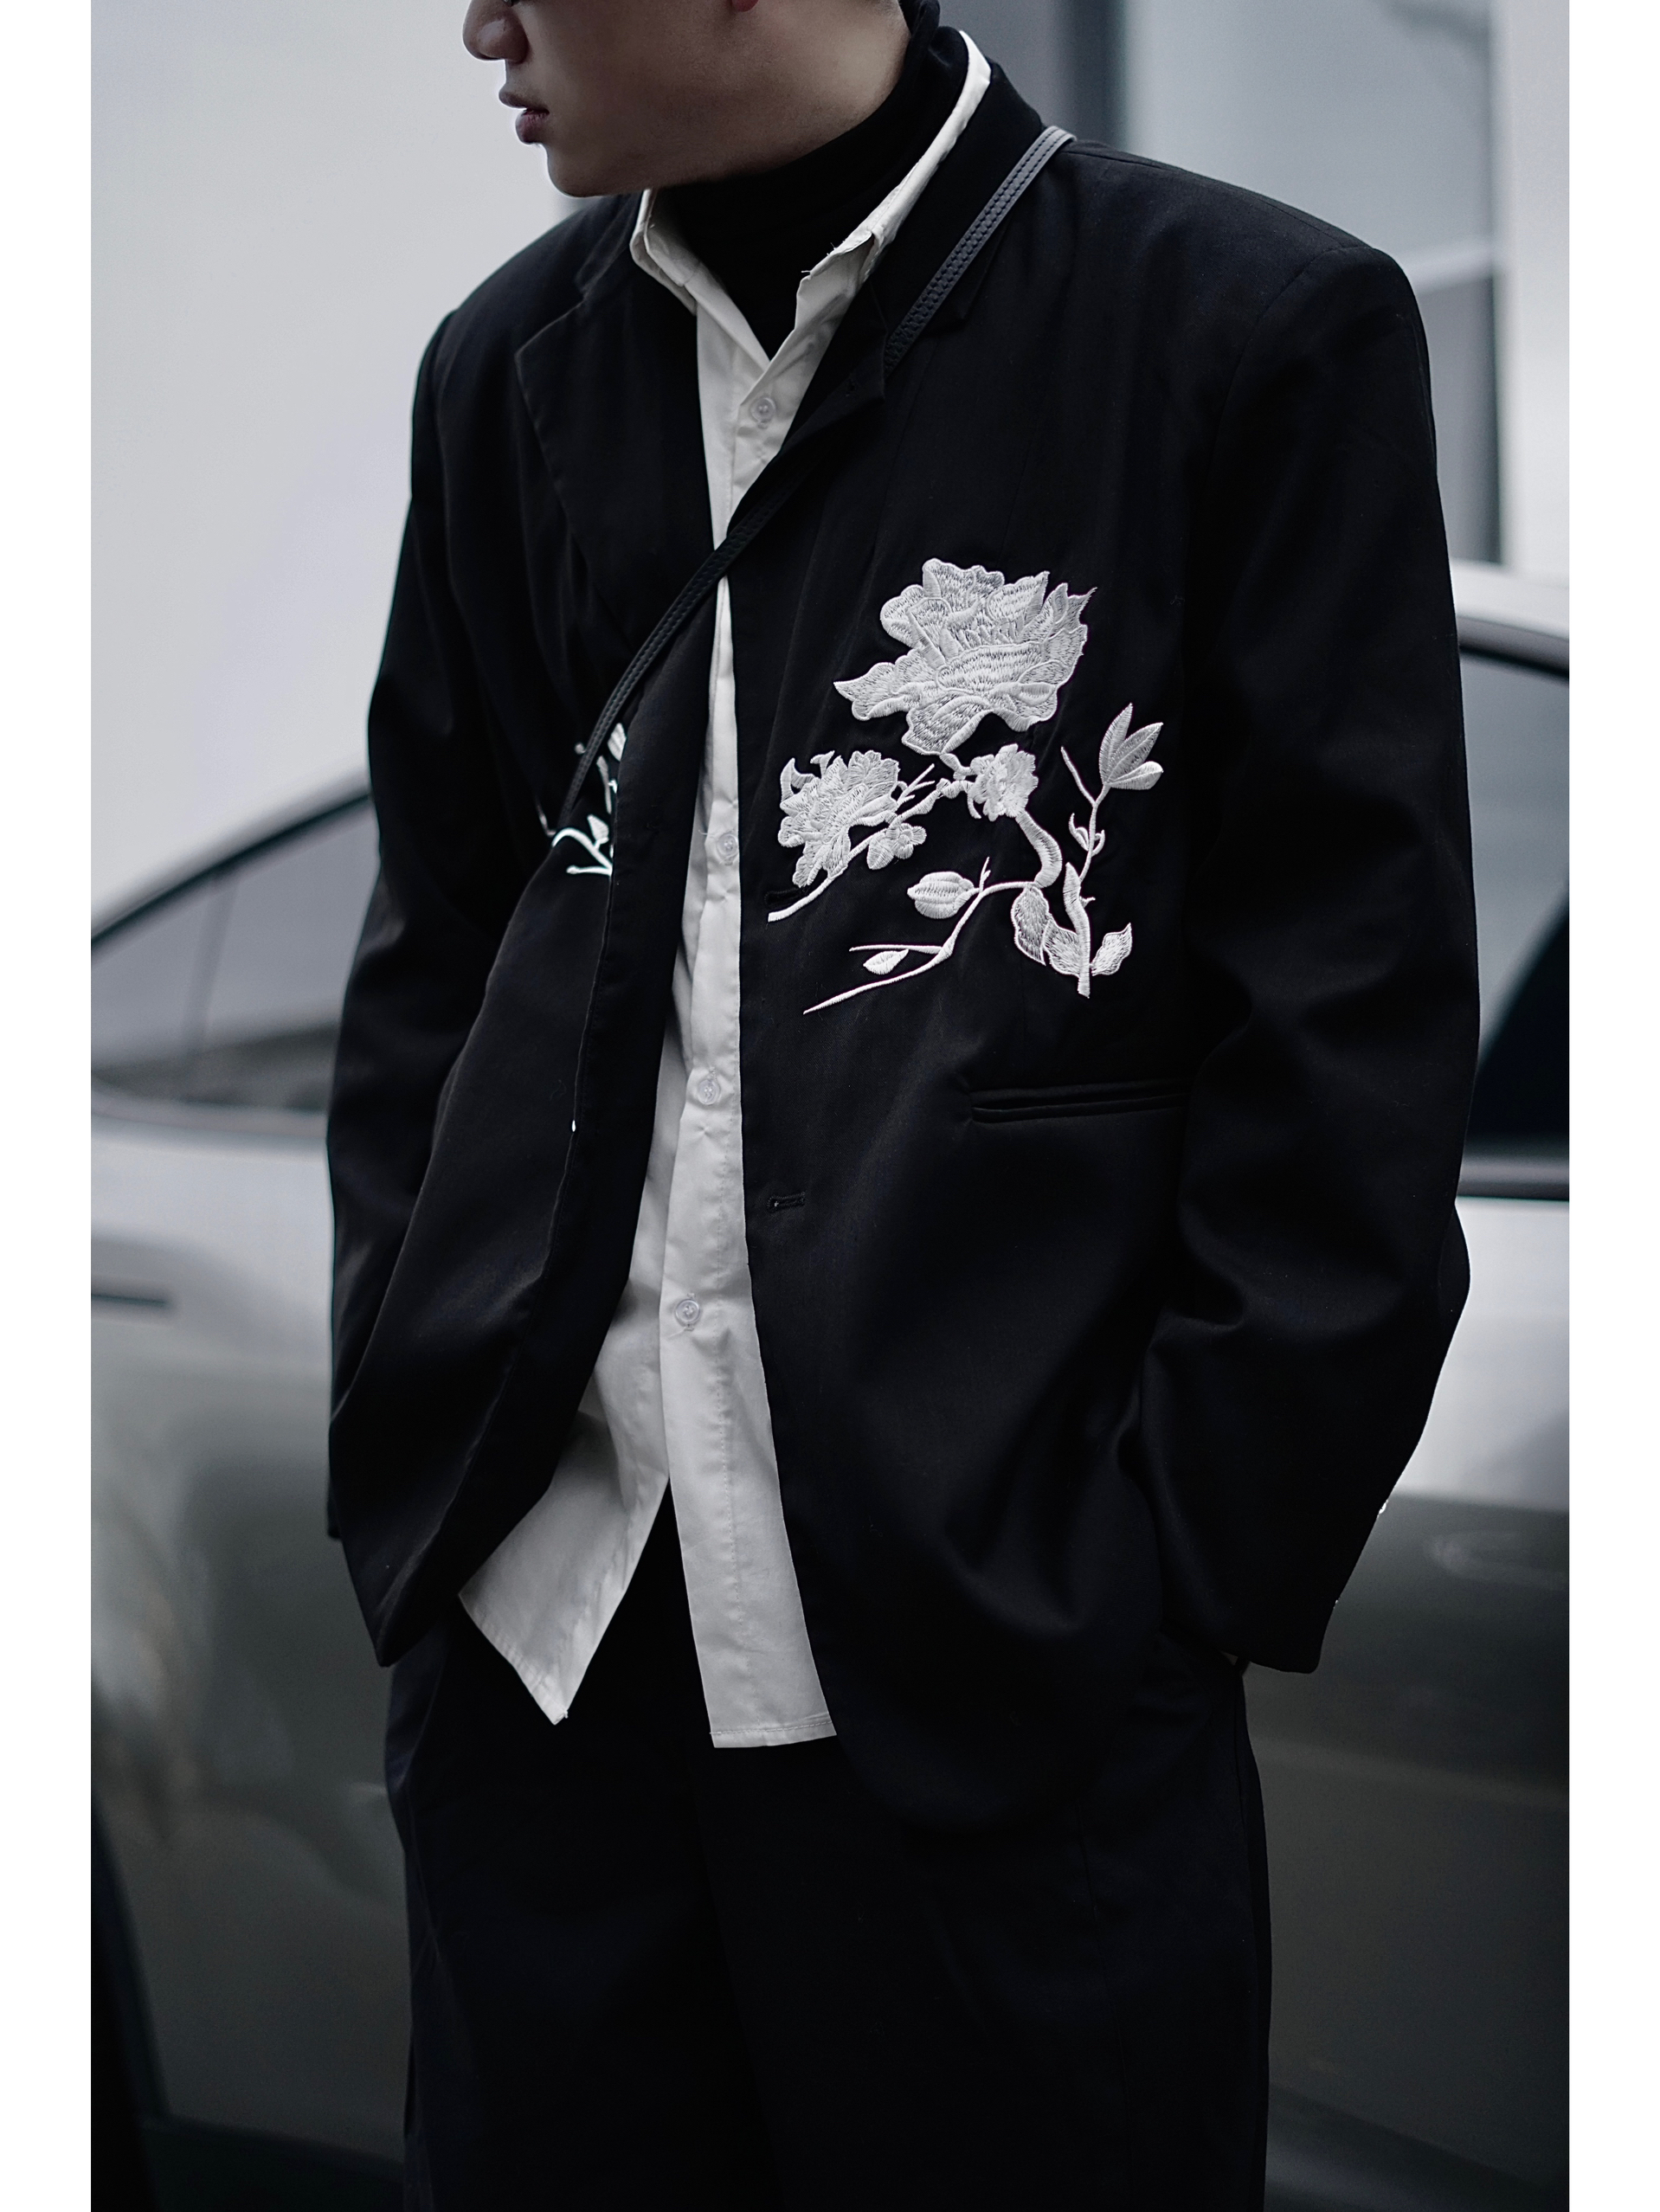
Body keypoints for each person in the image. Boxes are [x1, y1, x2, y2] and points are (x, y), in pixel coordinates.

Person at [325, 1, 1479, 2204]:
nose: (475, 22)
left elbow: (1349, 1026)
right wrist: (416, 1421)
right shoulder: (506, 368)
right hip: (545, 1675)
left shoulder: (1242, 330)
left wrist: (1162, 1578)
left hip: (1006, 1683)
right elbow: (436, 978)